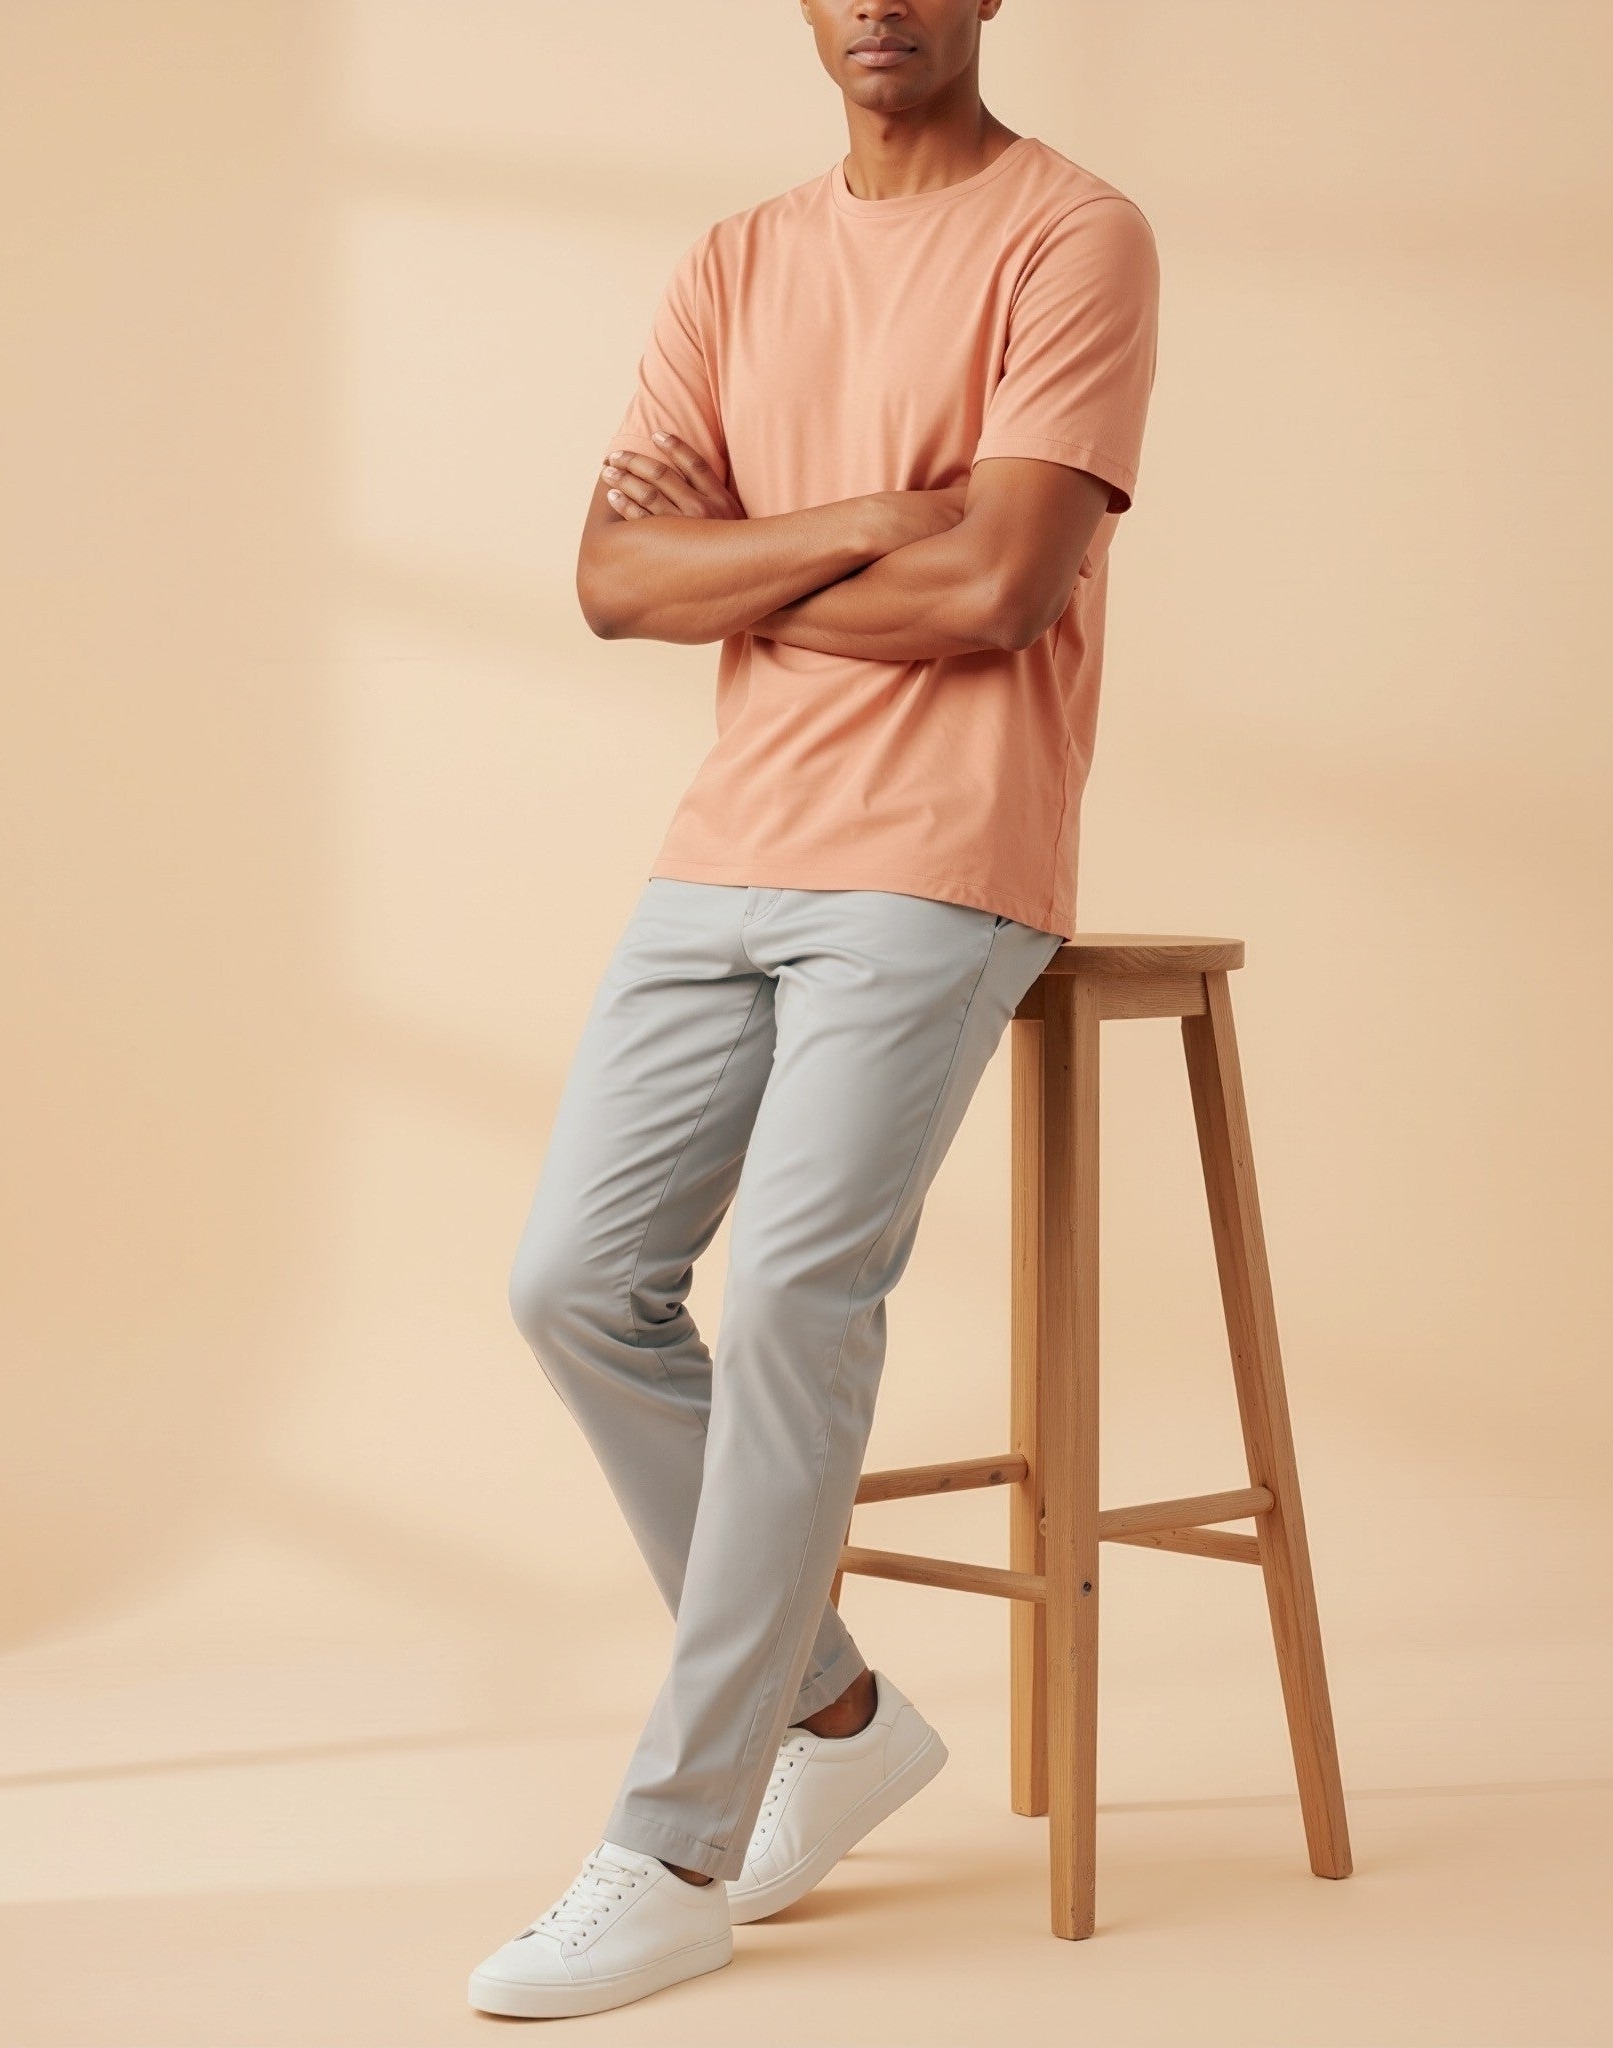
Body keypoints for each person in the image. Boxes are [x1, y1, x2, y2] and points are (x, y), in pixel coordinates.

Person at [469, 0, 1158, 2018]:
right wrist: (870, 516)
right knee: (571, 1284)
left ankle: (678, 1842)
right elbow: (608, 575)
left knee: (791, 1295)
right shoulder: (735, 260)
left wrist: (744, 565)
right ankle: (839, 1714)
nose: (879, 3)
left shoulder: (1071, 236)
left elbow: (1001, 594)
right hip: (728, 844)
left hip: (945, 851)